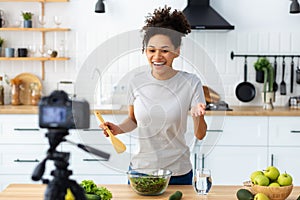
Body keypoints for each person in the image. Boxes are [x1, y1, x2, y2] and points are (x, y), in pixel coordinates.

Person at [100, 5, 207, 185]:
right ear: (145, 51)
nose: (157, 56)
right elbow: (133, 120)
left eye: (164, 50)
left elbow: (200, 134)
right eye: (151, 50)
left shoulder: (191, 83)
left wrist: (198, 116)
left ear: (177, 51)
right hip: (141, 171)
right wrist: (117, 129)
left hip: (178, 174)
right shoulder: (136, 81)